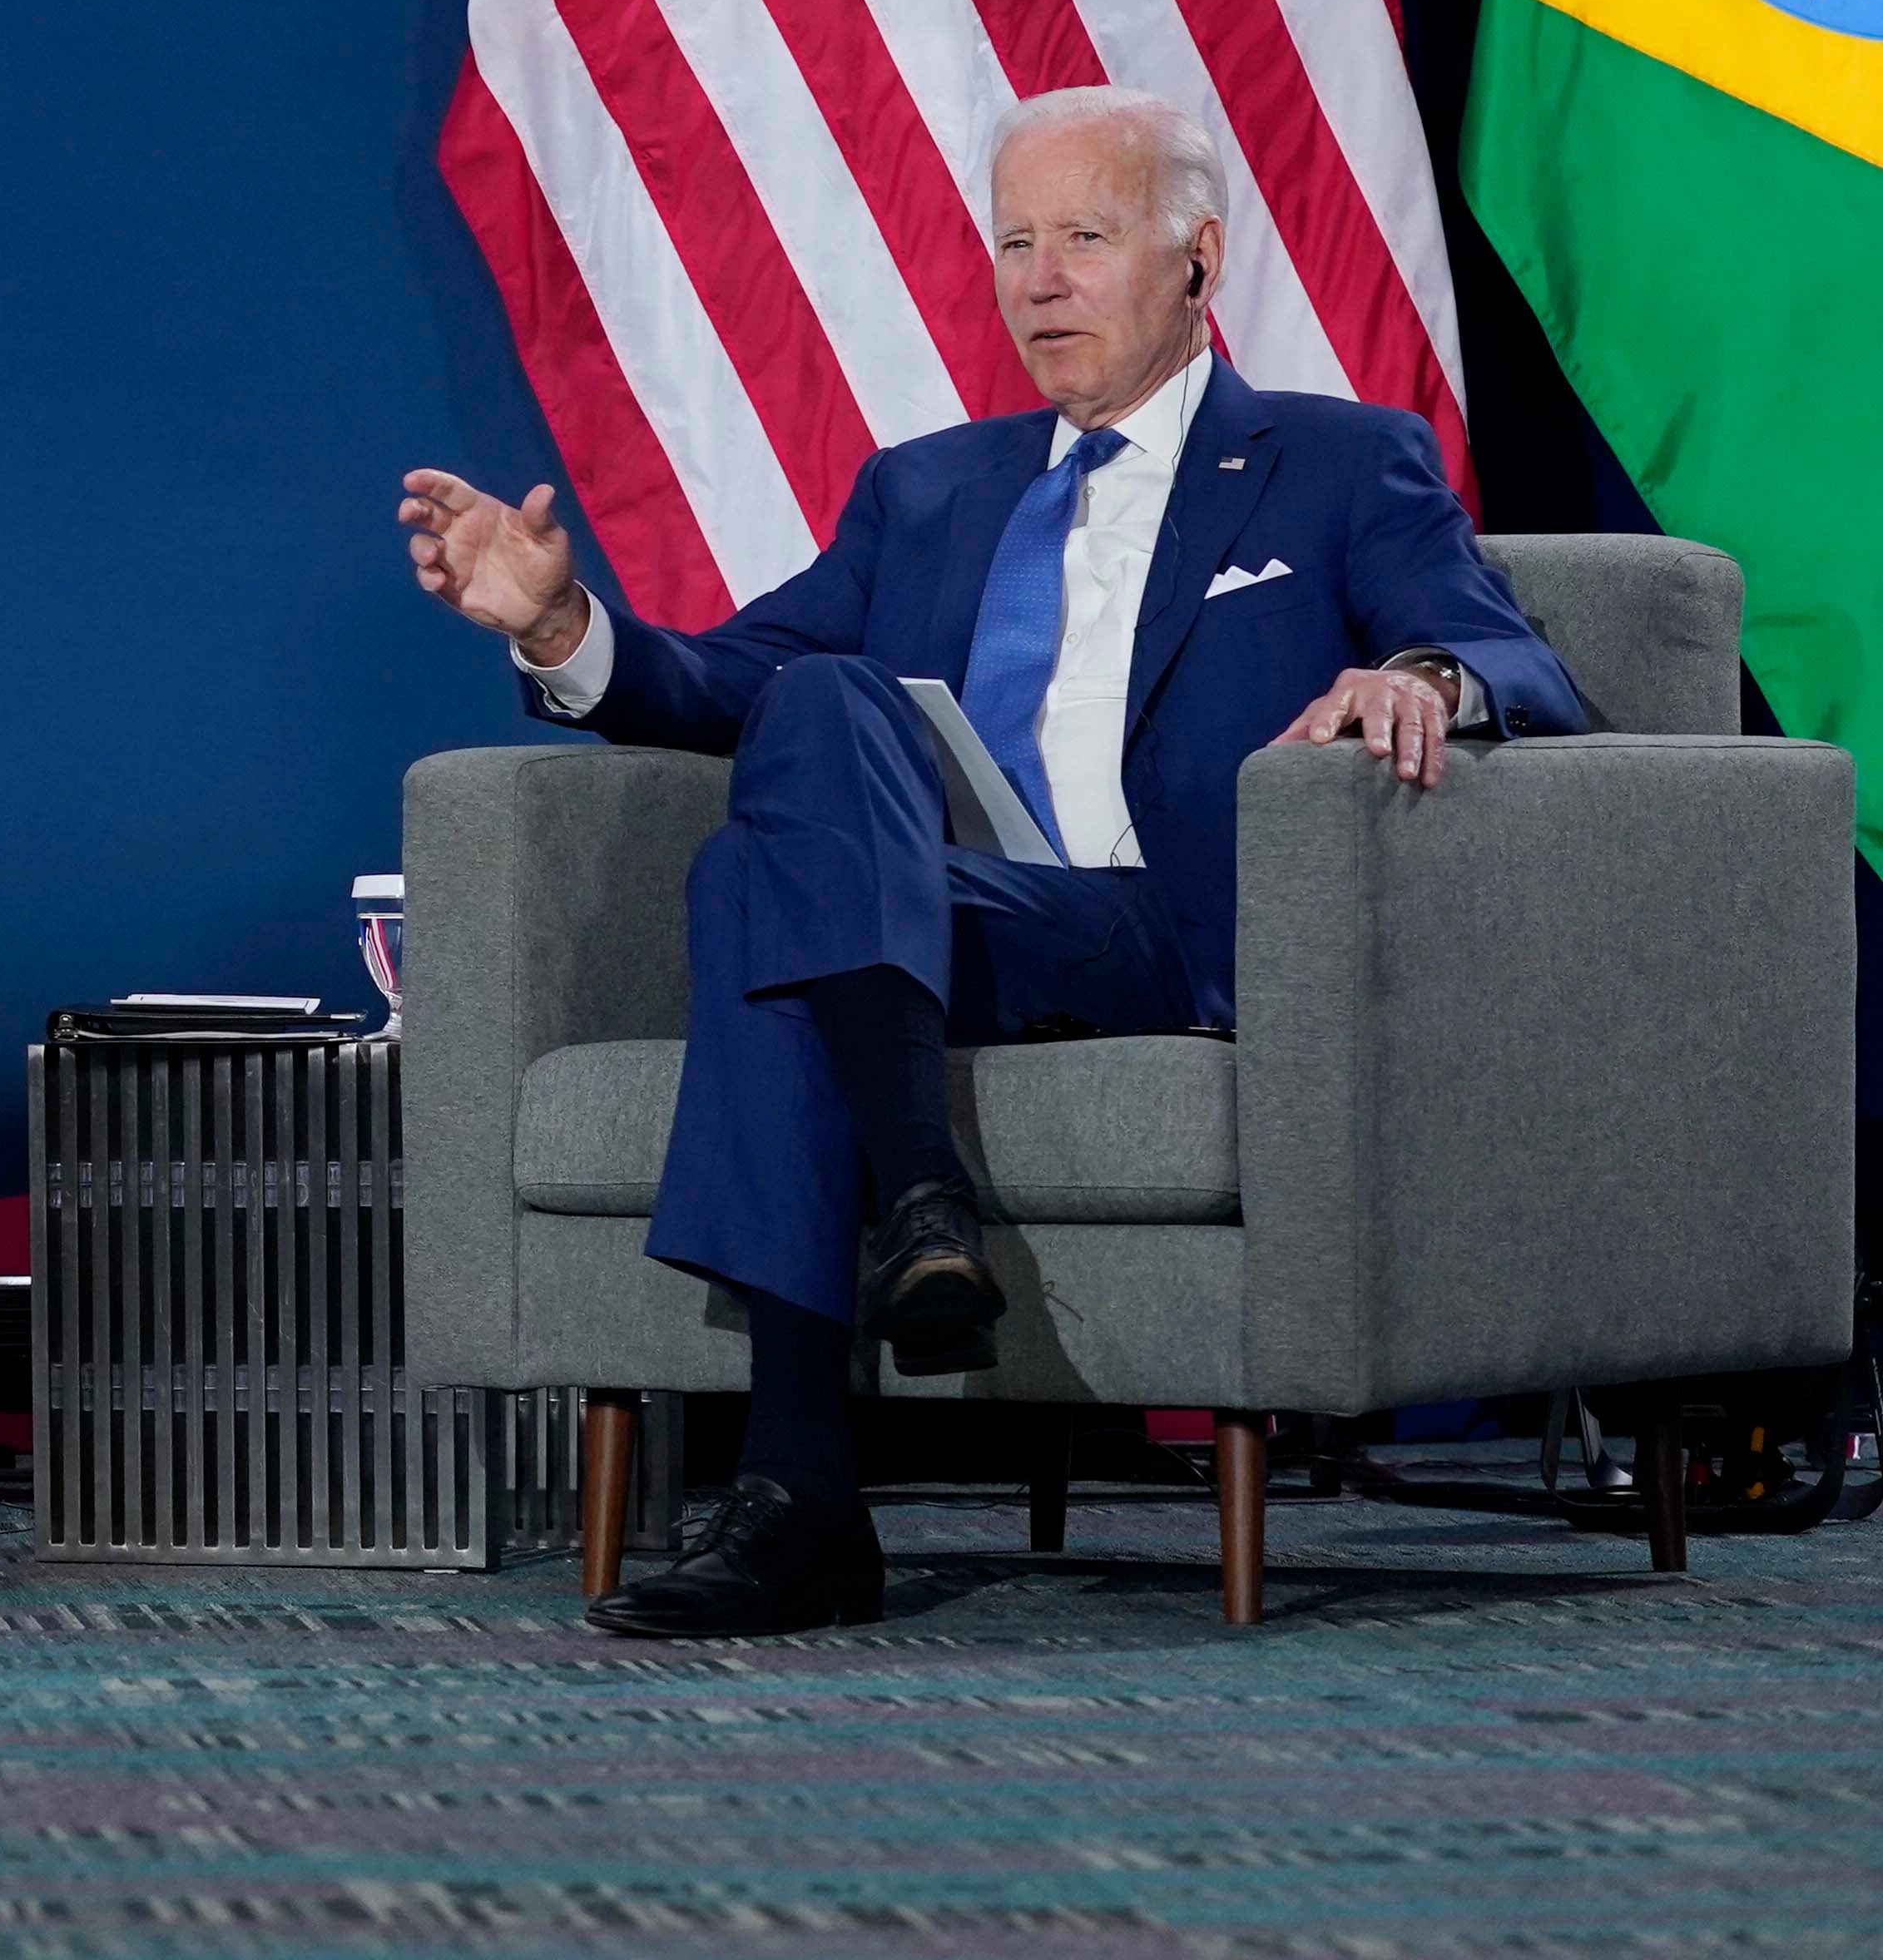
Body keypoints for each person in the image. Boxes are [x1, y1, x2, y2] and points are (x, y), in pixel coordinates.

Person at [396, 86, 1583, 1638]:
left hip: (1168, 930)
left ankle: (804, 1479)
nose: (1040, 280)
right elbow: (732, 679)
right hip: (948, 911)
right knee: (814, 723)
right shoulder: (928, 489)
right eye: (1015, 243)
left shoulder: (1339, 461)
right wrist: (563, 626)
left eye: (1084, 236)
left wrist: (1418, 677)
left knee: (754, 894)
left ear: (1198, 258)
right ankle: (918, 1219)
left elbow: (1512, 654)